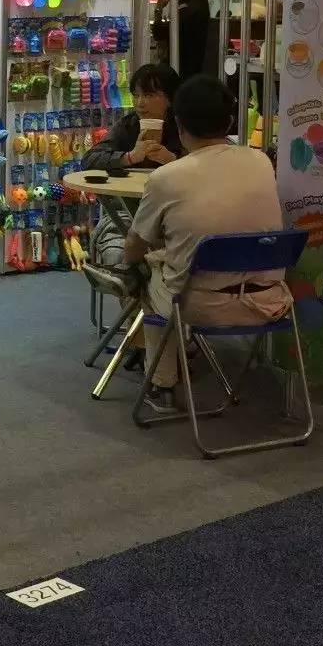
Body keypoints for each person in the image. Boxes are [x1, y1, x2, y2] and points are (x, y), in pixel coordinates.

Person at [122, 74, 292, 408]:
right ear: (228, 121)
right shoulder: (261, 162)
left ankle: (161, 383)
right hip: (271, 300)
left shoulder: (166, 178)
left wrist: (136, 262)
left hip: (199, 306)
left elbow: (135, 244)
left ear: (178, 123)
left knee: (143, 273)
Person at [81, 63, 182, 174]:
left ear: (170, 98)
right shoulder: (128, 124)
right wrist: (130, 157)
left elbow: (198, 161)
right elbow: (88, 160)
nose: (140, 103)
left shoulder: (185, 124)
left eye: (148, 95)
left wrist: (173, 159)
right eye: (136, 95)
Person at [152, 0, 211, 81]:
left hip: (179, 71)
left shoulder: (183, 15)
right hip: (195, 71)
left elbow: (158, 32)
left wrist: (159, 7)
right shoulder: (202, 13)